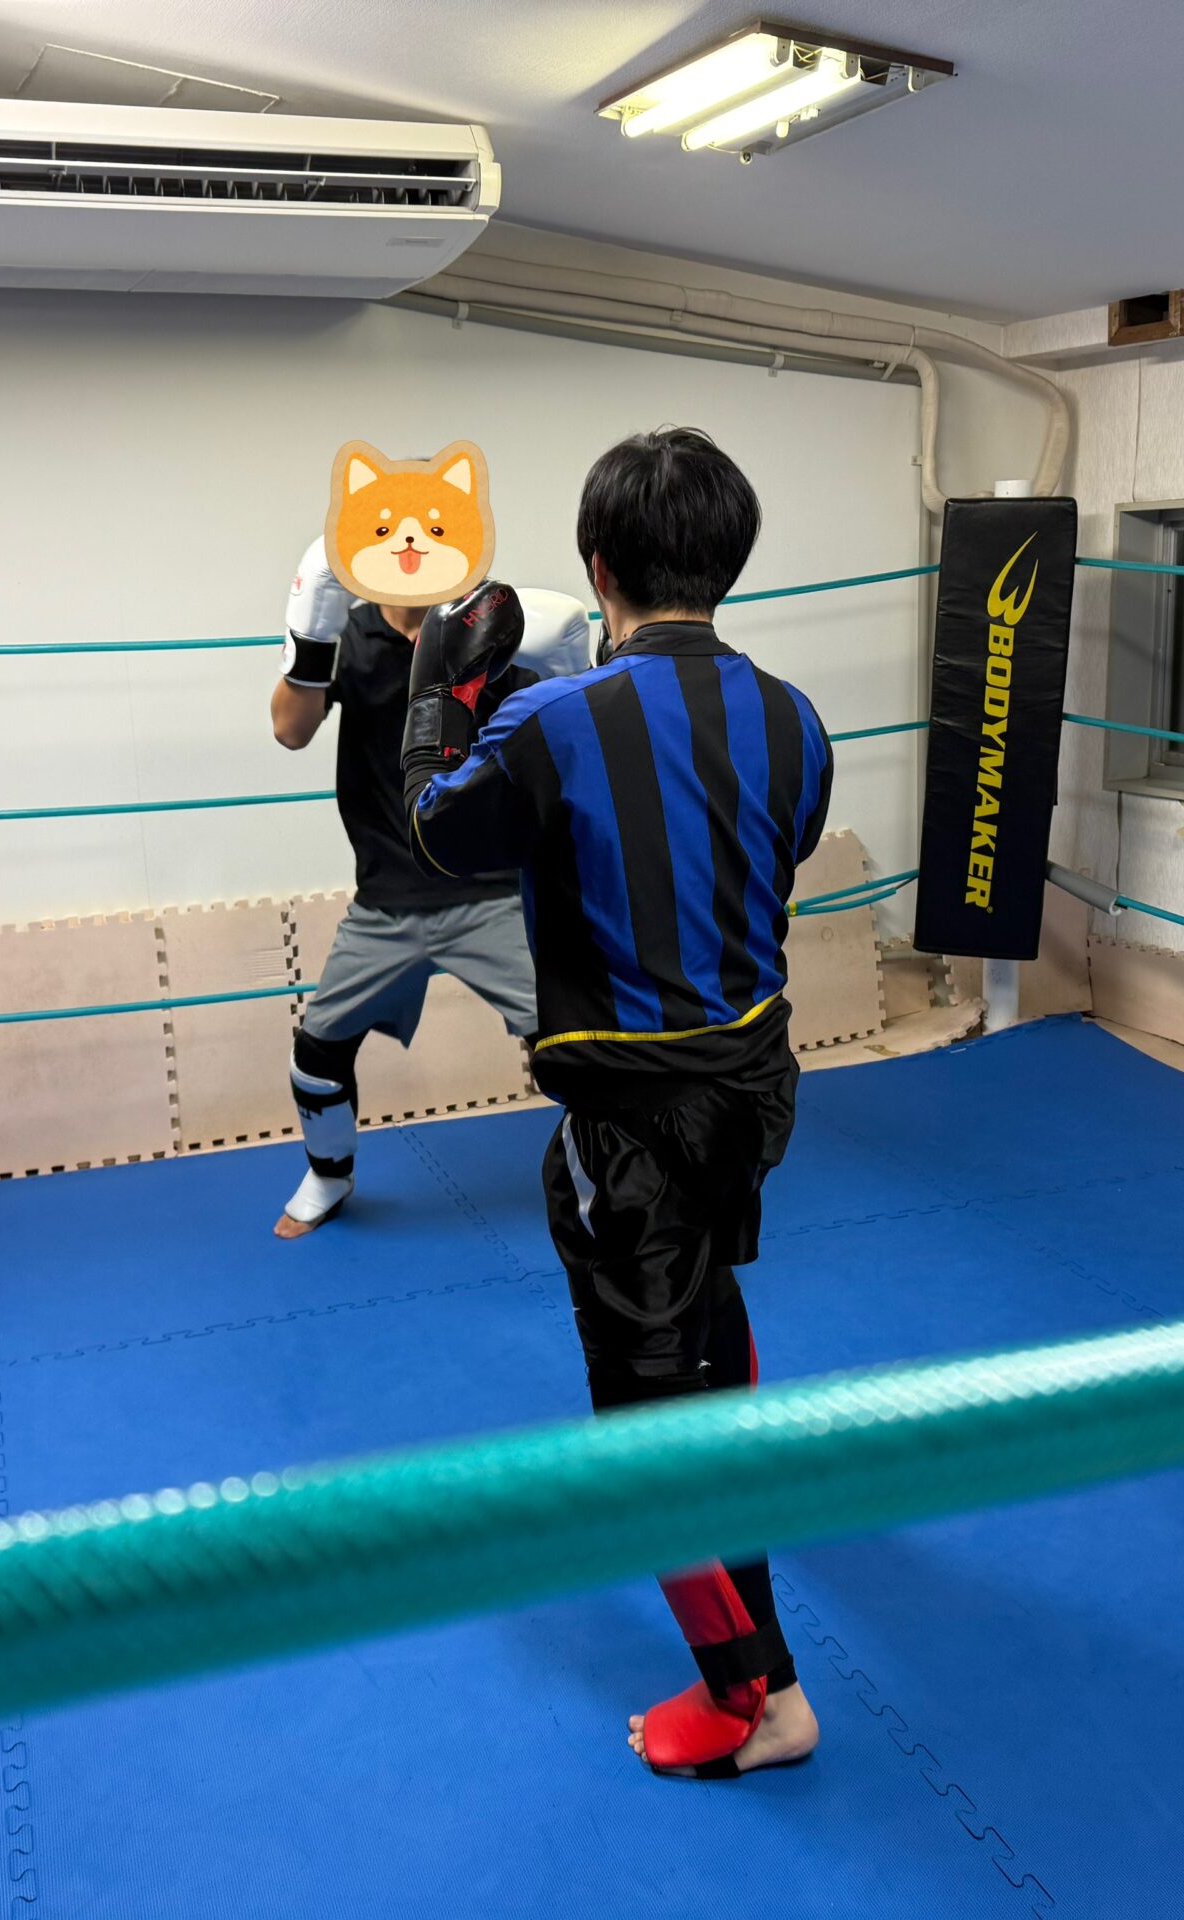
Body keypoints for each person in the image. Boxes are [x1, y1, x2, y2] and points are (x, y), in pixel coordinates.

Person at [399, 427, 831, 1779]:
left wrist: (436, 696)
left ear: (598, 566)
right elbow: (775, 850)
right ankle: (745, 1493)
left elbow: (441, 835)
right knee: (707, 1305)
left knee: (639, 1428)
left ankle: (761, 1702)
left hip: (629, 1124)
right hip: (755, 1093)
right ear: (729, 562)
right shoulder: (796, 718)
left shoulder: (551, 721)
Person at [267, 538, 589, 1238]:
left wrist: (553, 664)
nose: (410, 546)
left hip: (491, 892)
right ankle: (329, 1175)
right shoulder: (353, 634)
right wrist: (311, 633)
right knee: (317, 1053)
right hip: (385, 902)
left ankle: (610, 1182)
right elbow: (290, 731)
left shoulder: (490, 628)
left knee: (579, 1042)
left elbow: (562, 748)